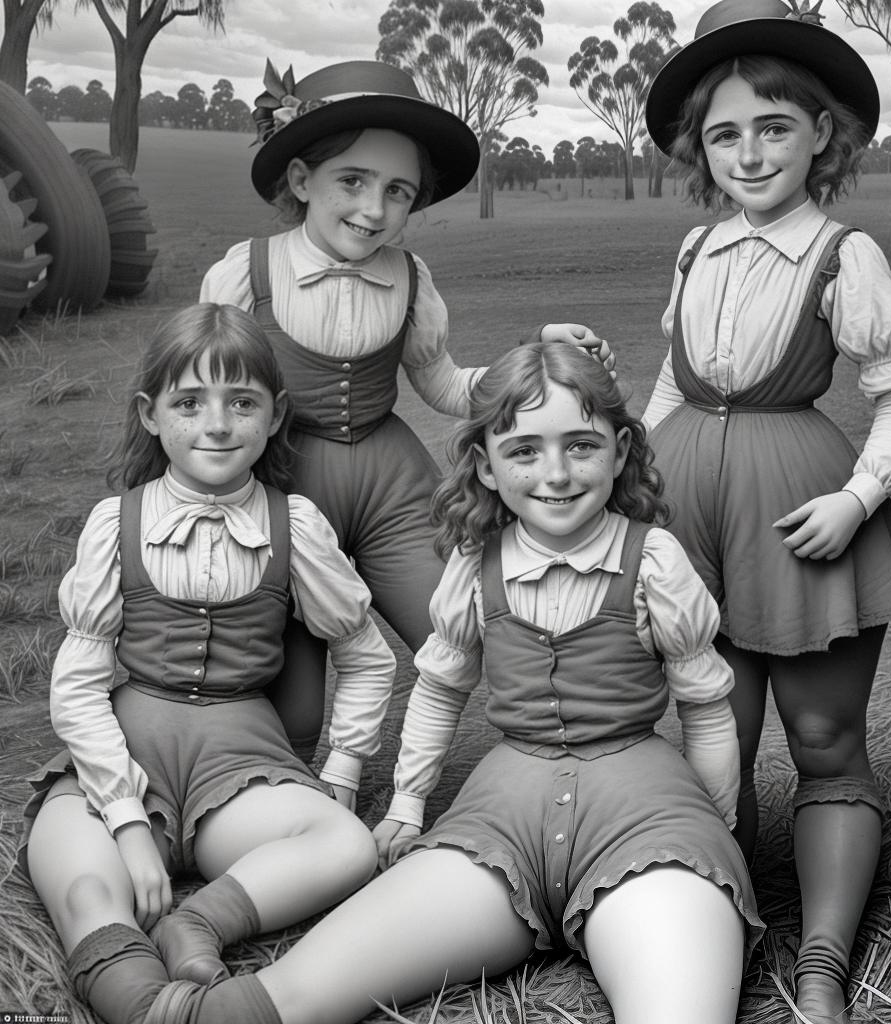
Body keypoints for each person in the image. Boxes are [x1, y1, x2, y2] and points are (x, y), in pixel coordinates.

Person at [135, 340, 764, 1024]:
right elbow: (439, 689)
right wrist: (407, 805)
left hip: (644, 816)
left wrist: (715, 827)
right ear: (486, 467)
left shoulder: (654, 562)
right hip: (500, 819)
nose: (555, 473)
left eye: (580, 446)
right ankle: (165, 993)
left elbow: (705, 706)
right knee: (291, 995)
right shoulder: (476, 564)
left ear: (619, 450)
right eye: (524, 450)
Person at [640, 2, 891, 1021]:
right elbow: (674, 386)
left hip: (800, 504)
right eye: (725, 133)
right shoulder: (696, 250)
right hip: (686, 511)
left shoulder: (841, 252)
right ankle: (710, 936)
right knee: (709, 722)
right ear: (699, 148)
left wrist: (859, 499)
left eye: (774, 126)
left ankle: (819, 960)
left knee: (819, 731)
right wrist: (631, 486)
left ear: (822, 132)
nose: (749, 152)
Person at [201, 59, 613, 762]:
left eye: (398, 191)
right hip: (282, 486)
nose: (374, 210)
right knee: (291, 691)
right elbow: (207, 396)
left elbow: (447, 386)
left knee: (458, 628)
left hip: (392, 482)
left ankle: (540, 772)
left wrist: (533, 355)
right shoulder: (246, 271)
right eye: (352, 182)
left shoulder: (411, 277)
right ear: (301, 180)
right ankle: (288, 802)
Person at [22, 303, 398, 1024]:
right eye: (190, 403)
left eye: (242, 403)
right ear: (152, 414)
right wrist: (127, 822)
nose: (218, 425)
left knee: (345, 844)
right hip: (125, 762)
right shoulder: (118, 522)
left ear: (275, 414)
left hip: (239, 768)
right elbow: (76, 686)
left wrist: (342, 774)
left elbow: (365, 654)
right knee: (74, 870)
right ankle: (140, 999)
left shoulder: (296, 526)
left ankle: (200, 924)